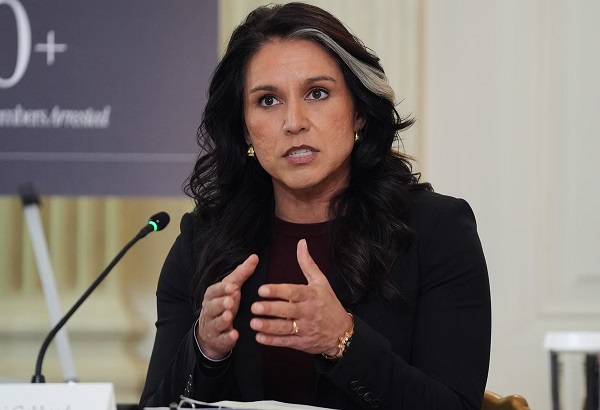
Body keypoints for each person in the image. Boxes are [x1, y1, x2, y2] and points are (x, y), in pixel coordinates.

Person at [139, 2, 491, 409]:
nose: (294, 122)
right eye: (267, 100)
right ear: (245, 129)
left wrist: (344, 340)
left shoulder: (437, 231)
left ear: (359, 112)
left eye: (317, 93)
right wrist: (204, 350)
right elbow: (155, 405)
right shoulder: (202, 241)